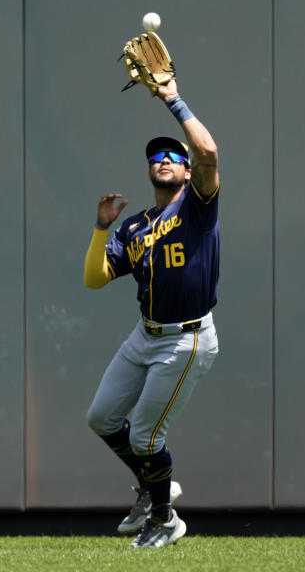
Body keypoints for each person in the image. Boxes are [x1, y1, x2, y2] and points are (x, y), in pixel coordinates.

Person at [83, 78, 220, 548]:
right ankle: (150, 486)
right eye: (156, 158)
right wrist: (102, 229)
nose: (163, 160)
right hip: (145, 335)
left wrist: (172, 99)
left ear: (186, 171)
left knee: (144, 435)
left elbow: (209, 152)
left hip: (186, 338)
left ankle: (166, 519)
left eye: (173, 157)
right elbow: (96, 277)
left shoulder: (199, 206)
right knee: (101, 418)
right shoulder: (136, 225)